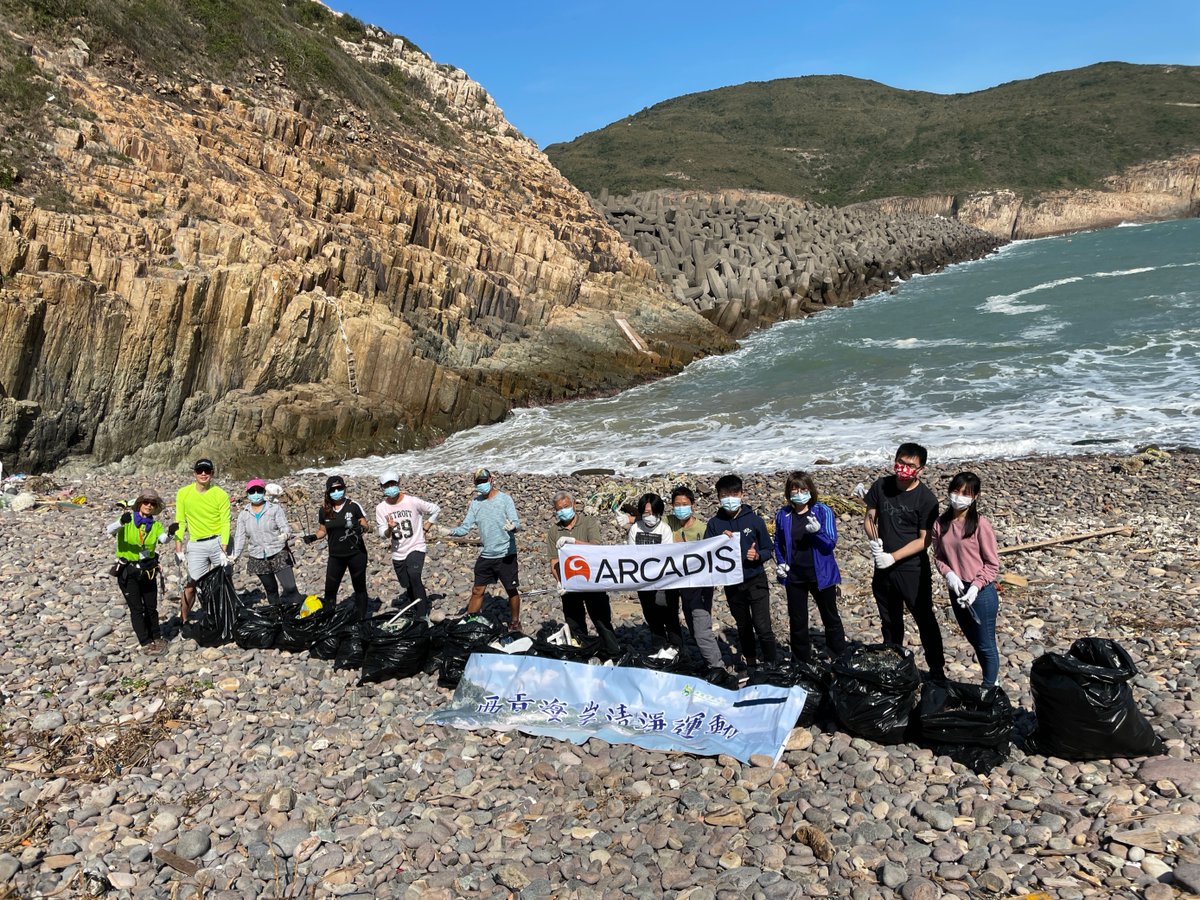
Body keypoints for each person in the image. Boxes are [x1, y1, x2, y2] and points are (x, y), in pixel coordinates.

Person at [864, 442, 946, 682]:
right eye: (901, 462)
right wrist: (875, 542)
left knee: (924, 618)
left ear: (921, 468)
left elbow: (924, 540)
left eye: (911, 465)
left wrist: (893, 557)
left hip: (911, 569)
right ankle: (893, 663)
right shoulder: (881, 486)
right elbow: (870, 518)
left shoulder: (926, 499)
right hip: (882, 565)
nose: (904, 469)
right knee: (889, 619)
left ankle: (937, 669)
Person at [932, 472, 1002, 687]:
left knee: (986, 644)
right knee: (974, 640)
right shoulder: (940, 524)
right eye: (956, 491)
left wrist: (976, 587)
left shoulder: (980, 524)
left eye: (965, 493)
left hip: (980, 595)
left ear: (975, 497)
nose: (958, 497)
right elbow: (938, 556)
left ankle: (990, 687)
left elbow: (992, 564)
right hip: (957, 591)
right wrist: (949, 574)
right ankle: (989, 681)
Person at [704, 474, 777, 672]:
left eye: (734, 494)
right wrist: (718, 541)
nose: (729, 498)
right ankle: (751, 663)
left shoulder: (754, 521)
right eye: (724, 495)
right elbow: (705, 551)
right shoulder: (714, 524)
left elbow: (768, 549)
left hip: (755, 579)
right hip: (732, 582)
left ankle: (773, 664)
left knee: (763, 626)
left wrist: (757, 555)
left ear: (742, 495)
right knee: (743, 625)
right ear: (718, 497)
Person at [772, 471, 847, 663]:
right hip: (795, 576)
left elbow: (830, 543)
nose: (799, 493)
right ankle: (801, 662)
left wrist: (818, 532)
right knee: (797, 621)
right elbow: (778, 542)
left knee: (830, 617)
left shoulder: (822, 511)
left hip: (820, 575)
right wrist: (781, 563)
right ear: (789, 492)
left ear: (810, 490)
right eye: (794, 489)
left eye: (803, 489)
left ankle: (840, 657)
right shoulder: (784, 514)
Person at [667, 485, 736, 687]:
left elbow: (716, 548)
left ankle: (718, 668)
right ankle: (702, 662)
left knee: (700, 625)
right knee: (689, 621)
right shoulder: (668, 523)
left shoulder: (704, 529)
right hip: (674, 582)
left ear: (693, 505)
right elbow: (649, 520)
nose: (681, 508)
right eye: (677, 505)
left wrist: (725, 538)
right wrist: (630, 519)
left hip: (699, 585)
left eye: (685, 504)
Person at [448, 468, 523, 633]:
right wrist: (450, 531)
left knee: (511, 589)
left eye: (484, 480)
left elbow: (517, 523)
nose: (482, 484)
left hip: (506, 554)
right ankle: (471, 621)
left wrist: (513, 527)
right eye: (478, 482)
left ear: (491, 479)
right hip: (487, 554)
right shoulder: (475, 503)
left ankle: (515, 622)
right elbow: (465, 528)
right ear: (475, 484)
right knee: (477, 590)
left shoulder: (505, 499)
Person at [547, 491, 620, 657]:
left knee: (601, 620)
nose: (562, 511)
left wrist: (573, 542)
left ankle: (613, 653)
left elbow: (596, 547)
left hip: (593, 582)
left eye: (566, 507)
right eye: (559, 509)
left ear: (573, 505)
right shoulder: (554, 531)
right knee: (574, 622)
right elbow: (553, 562)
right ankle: (582, 653)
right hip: (570, 583)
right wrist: (560, 582)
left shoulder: (588, 523)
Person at [108, 489, 174, 653]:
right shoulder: (127, 520)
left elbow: (163, 540)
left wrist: (171, 533)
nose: (149, 506)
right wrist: (120, 523)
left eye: (152, 503)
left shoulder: (156, 525)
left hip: (148, 570)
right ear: (139, 504)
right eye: (146, 502)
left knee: (151, 607)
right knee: (137, 608)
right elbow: (109, 530)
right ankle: (145, 642)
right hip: (128, 570)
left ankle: (156, 636)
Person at [302, 475, 371, 619]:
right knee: (330, 590)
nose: (336, 492)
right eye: (333, 490)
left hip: (356, 554)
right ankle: (328, 618)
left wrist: (361, 529)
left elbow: (366, 525)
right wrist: (313, 537)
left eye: (339, 488)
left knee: (359, 587)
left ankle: (361, 619)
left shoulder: (353, 506)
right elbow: (323, 530)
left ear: (344, 488)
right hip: (335, 556)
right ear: (328, 492)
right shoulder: (324, 510)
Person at [375, 470, 441, 618]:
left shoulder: (412, 501)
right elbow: (382, 533)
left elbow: (436, 509)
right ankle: (415, 605)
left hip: (416, 545)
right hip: (398, 551)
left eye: (393, 483)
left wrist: (426, 527)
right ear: (382, 487)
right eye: (387, 485)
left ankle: (423, 615)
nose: (391, 487)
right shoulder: (381, 508)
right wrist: (389, 529)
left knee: (414, 575)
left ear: (398, 483)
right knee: (406, 583)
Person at [174, 458, 231, 620]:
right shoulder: (183, 493)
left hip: (218, 541)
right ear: (195, 473)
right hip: (196, 544)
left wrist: (224, 550)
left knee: (225, 580)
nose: (203, 474)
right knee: (191, 585)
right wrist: (179, 549)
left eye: (207, 471)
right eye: (200, 471)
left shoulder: (221, 494)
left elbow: (225, 522)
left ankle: (228, 616)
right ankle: (184, 619)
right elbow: (180, 522)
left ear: (212, 473)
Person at [627, 492, 683, 654]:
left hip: (665, 582)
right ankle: (659, 647)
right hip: (644, 581)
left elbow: (666, 555)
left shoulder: (664, 529)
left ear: (659, 513)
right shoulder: (635, 528)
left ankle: (677, 648)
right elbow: (631, 554)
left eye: (652, 513)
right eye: (645, 513)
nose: (649, 516)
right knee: (651, 614)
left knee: (670, 615)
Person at [232, 478, 298, 606]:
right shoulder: (243, 515)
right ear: (248, 494)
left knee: (290, 587)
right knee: (271, 590)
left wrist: (285, 534)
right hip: (257, 557)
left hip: (278, 551)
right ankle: (277, 615)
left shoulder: (274, 508)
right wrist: (235, 555)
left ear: (264, 492)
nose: (256, 494)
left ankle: (295, 609)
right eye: (252, 491)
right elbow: (240, 537)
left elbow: (285, 527)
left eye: (259, 490)